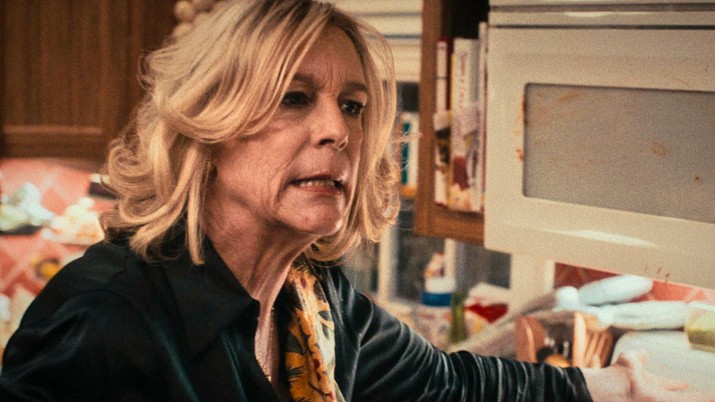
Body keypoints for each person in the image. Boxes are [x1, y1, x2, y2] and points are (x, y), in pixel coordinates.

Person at [0, 1, 711, 401]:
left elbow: (450, 386)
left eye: (353, 105)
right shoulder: (107, 319)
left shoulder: (314, 300)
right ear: (208, 126)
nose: (337, 130)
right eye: (294, 98)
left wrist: (617, 386)